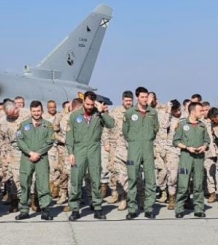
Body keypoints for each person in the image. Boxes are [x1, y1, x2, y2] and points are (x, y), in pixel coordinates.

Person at [66, 92, 115, 221]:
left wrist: (102, 112)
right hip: (79, 150)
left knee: (95, 179)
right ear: (83, 102)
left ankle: (97, 207)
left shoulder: (97, 114)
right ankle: (75, 209)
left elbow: (111, 124)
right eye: (87, 104)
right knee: (76, 180)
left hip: (94, 150)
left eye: (92, 104)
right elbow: (69, 136)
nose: (89, 106)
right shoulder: (75, 116)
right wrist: (70, 152)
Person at [122, 87, 159, 219]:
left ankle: (149, 208)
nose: (144, 99)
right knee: (132, 178)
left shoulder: (153, 113)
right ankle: (132, 209)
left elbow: (156, 129)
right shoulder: (130, 113)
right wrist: (134, 140)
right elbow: (125, 131)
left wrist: (147, 139)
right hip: (134, 148)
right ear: (137, 98)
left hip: (148, 148)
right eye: (142, 97)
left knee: (150, 179)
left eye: (146, 97)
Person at [15, 101, 54, 220]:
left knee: (43, 183)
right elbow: (19, 140)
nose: (36, 113)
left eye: (38, 111)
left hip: (42, 157)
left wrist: (39, 153)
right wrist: (30, 152)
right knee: (25, 183)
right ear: (30, 111)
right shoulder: (23, 125)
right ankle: (24, 210)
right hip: (27, 157)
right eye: (34, 111)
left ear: (42, 111)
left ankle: (45, 210)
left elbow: (50, 141)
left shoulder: (48, 125)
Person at [173, 102, 211, 218]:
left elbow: (207, 140)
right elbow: (175, 141)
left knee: (198, 184)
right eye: (200, 111)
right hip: (186, 158)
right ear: (193, 112)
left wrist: (204, 146)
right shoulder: (182, 124)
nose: (203, 113)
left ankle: (199, 209)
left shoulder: (202, 125)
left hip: (199, 158)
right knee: (183, 185)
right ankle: (179, 208)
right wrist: (186, 147)